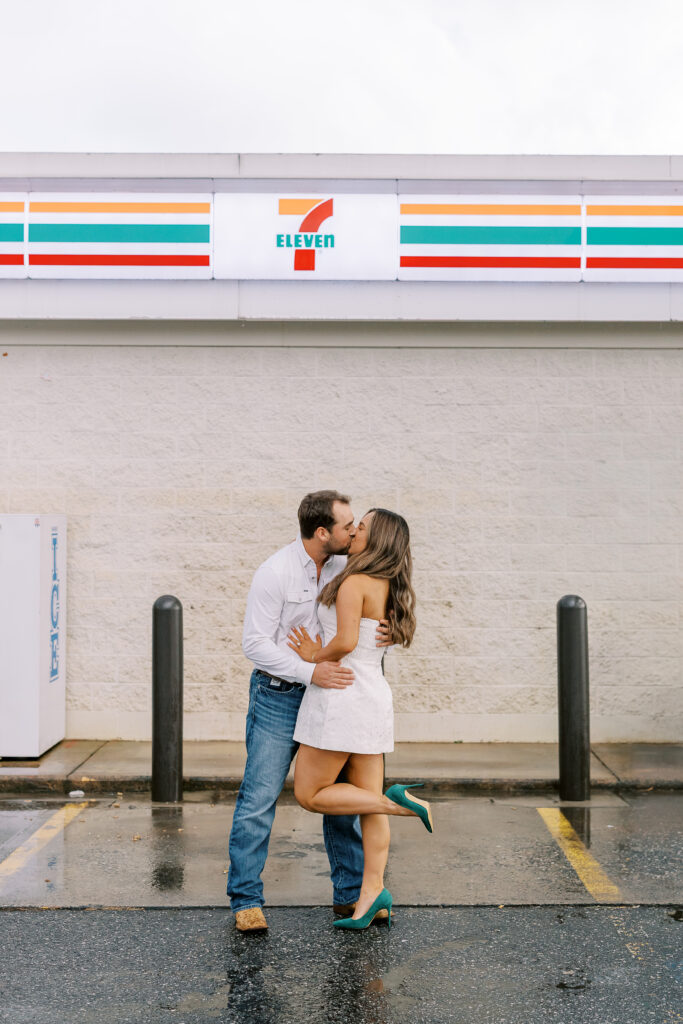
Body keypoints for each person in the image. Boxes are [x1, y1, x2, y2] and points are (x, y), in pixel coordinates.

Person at [227, 490, 393, 932]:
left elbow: (368, 613)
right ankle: (246, 900)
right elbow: (255, 644)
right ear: (323, 532)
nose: (355, 530)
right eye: (348, 525)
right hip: (281, 695)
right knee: (259, 797)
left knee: (337, 800)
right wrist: (309, 670)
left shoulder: (349, 564)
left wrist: (385, 630)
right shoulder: (275, 572)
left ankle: (350, 897)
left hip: (333, 699)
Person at [287, 507, 433, 931]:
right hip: (372, 696)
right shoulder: (389, 583)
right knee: (370, 810)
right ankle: (373, 897)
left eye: (362, 527)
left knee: (310, 794)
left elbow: (347, 640)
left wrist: (313, 655)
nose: (354, 532)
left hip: (340, 694)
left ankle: (402, 803)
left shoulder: (353, 581)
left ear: (377, 539)